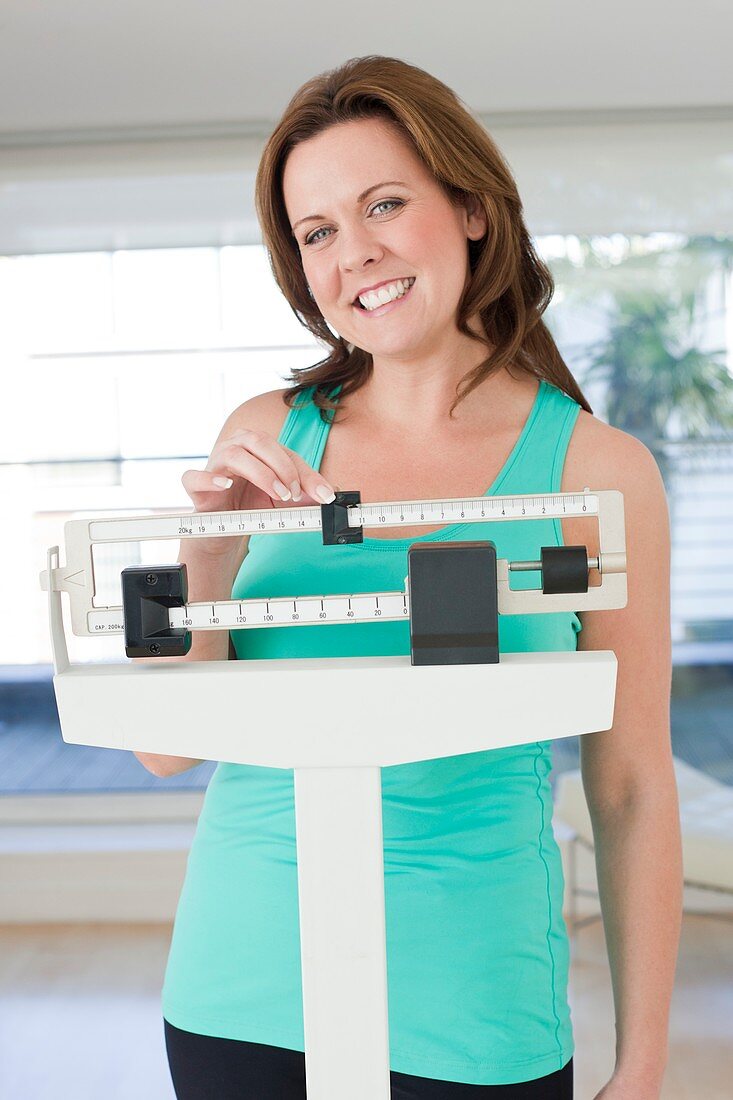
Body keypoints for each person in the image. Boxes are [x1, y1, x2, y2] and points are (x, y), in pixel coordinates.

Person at [135, 55, 682, 1100]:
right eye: (318, 232)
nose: (357, 254)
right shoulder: (263, 437)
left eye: (384, 203)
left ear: (472, 207)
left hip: (474, 1007)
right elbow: (163, 745)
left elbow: (630, 785)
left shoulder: (599, 473)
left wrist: (644, 1061)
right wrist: (198, 556)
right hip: (242, 991)